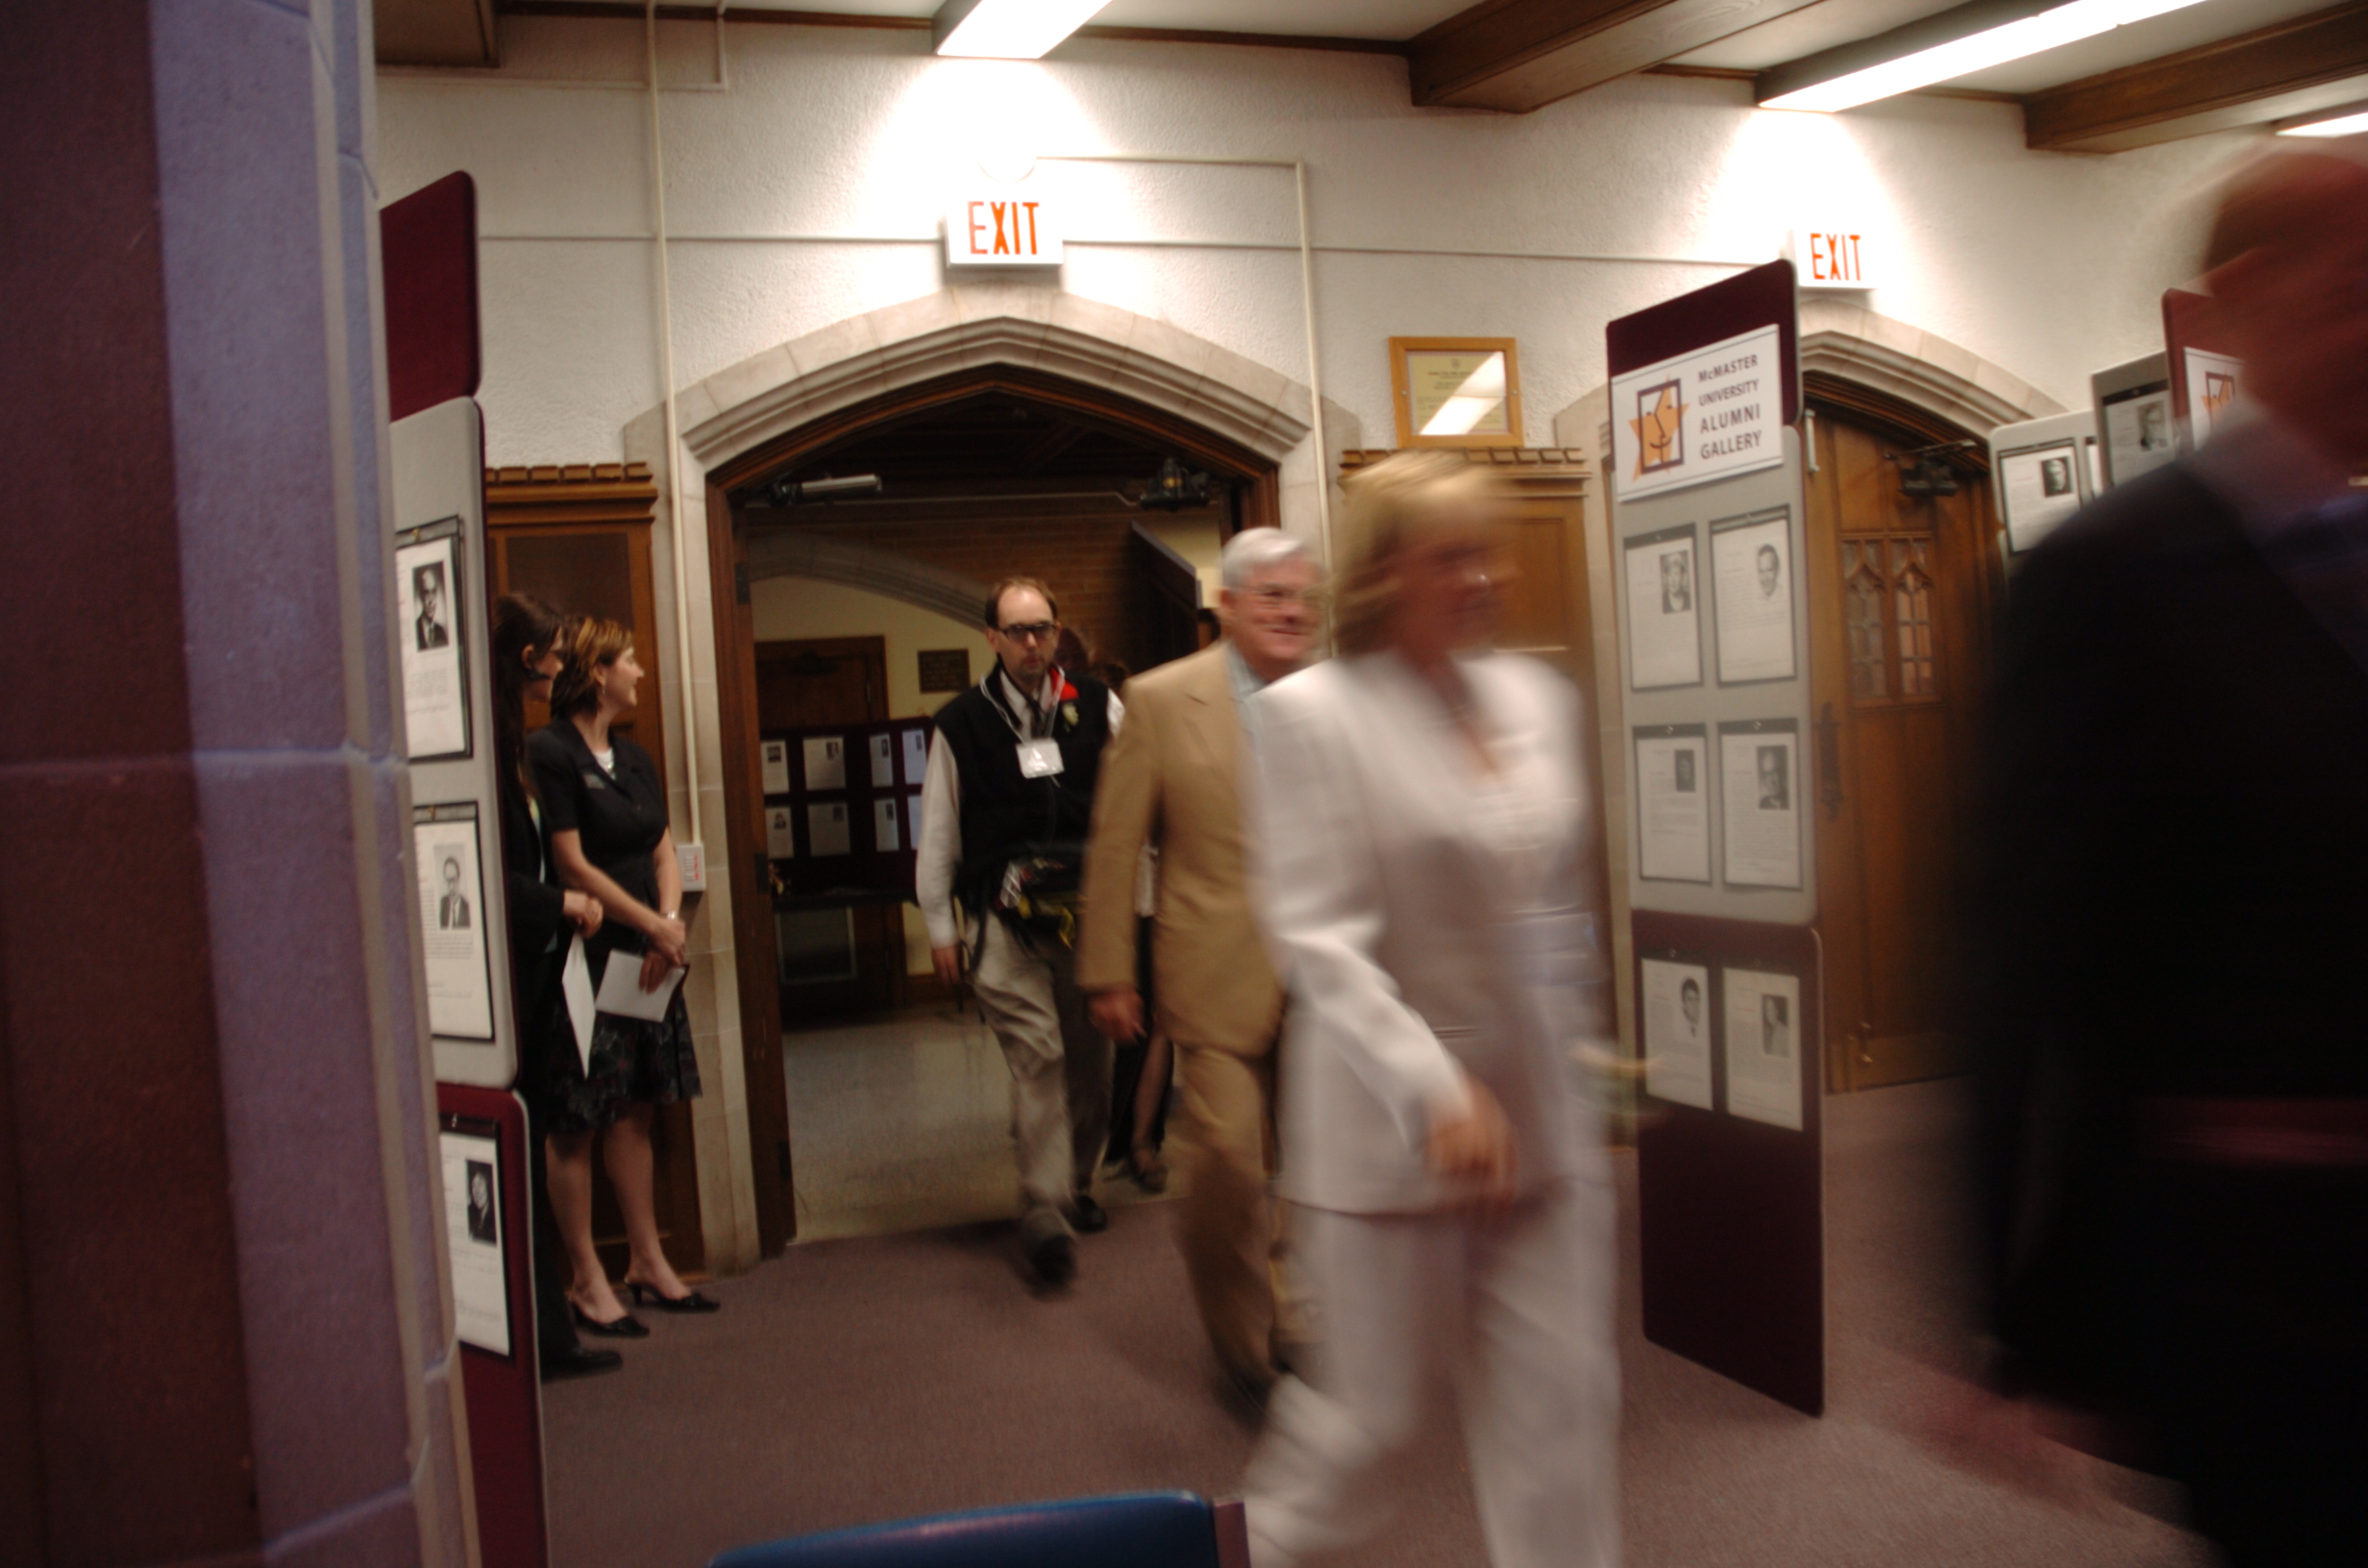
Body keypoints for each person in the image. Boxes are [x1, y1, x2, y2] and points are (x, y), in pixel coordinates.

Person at [1971, 139, 2368, 1566]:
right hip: (2253, 1262)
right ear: (2235, 305)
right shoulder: (2110, 574)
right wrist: (2016, 1310)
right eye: (2357, 287)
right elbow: (2032, 945)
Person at [1242, 452, 1618, 1568]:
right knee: (1366, 1437)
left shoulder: (1538, 700)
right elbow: (1319, 939)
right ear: (1383, 572)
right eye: (1451, 557)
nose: (1483, 577)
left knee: (1562, 1421)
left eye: (1486, 553)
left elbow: (1549, 901)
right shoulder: (1310, 716)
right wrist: (1435, 1090)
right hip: (1388, 1139)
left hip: (1539, 1130)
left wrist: (1580, 1044)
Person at [1078, 527, 1324, 1404]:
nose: (1292, 612)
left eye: (1303, 597)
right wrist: (1109, 970)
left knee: (1321, 1164)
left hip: (1326, 972)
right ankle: (1240, 1336)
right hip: (1216, 971)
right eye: (1273, 596)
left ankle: (1300, 1318)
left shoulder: (1337, 698)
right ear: (1229, 606)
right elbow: (1116, 843)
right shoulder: (1159, 700)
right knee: (1224, 1161)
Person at [917, 577, 1122, 1288]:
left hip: (1088, 912)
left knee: (1090, 1060)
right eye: (1017, 631)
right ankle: (1044, 1206)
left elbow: (1135, 802)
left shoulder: (1097, 704)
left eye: (1042, 629)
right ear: (992, 639)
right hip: (1002, 919)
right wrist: (940, 926)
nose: (1032, 643)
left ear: (1057, 631)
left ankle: (1078, 1182)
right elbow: (938, 830)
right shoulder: (962, 722)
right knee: (1039, 1055)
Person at [529, 616, 717, 1335]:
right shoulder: (551, 751)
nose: (639, 671)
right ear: (597, 671)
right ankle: (586, 1278)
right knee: (577, 1121)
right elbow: (572, 862)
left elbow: (662, 850)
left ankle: (647, 1261)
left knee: (637, 1110)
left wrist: (667, 924)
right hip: (588, 958)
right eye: (629, 660)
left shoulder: (634, 757)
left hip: (648, 959)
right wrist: (651, 925)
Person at [489, 593, 618, 1381]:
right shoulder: (491, 750)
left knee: (535, 1137)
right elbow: (485, 875)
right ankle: (537, 1338)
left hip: (539, 968)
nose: (563, 666)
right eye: (556, 654)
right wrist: (560, 903)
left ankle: (551, 1335)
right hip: (507, 975)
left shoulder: (517, 749)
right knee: (517, 1151)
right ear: (527, 658)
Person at [415, 563, 450, 649]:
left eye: (433, 592)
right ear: (421, 596)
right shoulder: (414, 630)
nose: (431, 601)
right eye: (426, 593)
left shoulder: (441, 631)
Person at [436, 854, 471, 929]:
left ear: (459, 879)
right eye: (448, 881)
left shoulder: (468, 910)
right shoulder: (442, 905)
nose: (451, 887)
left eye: (454, 880)